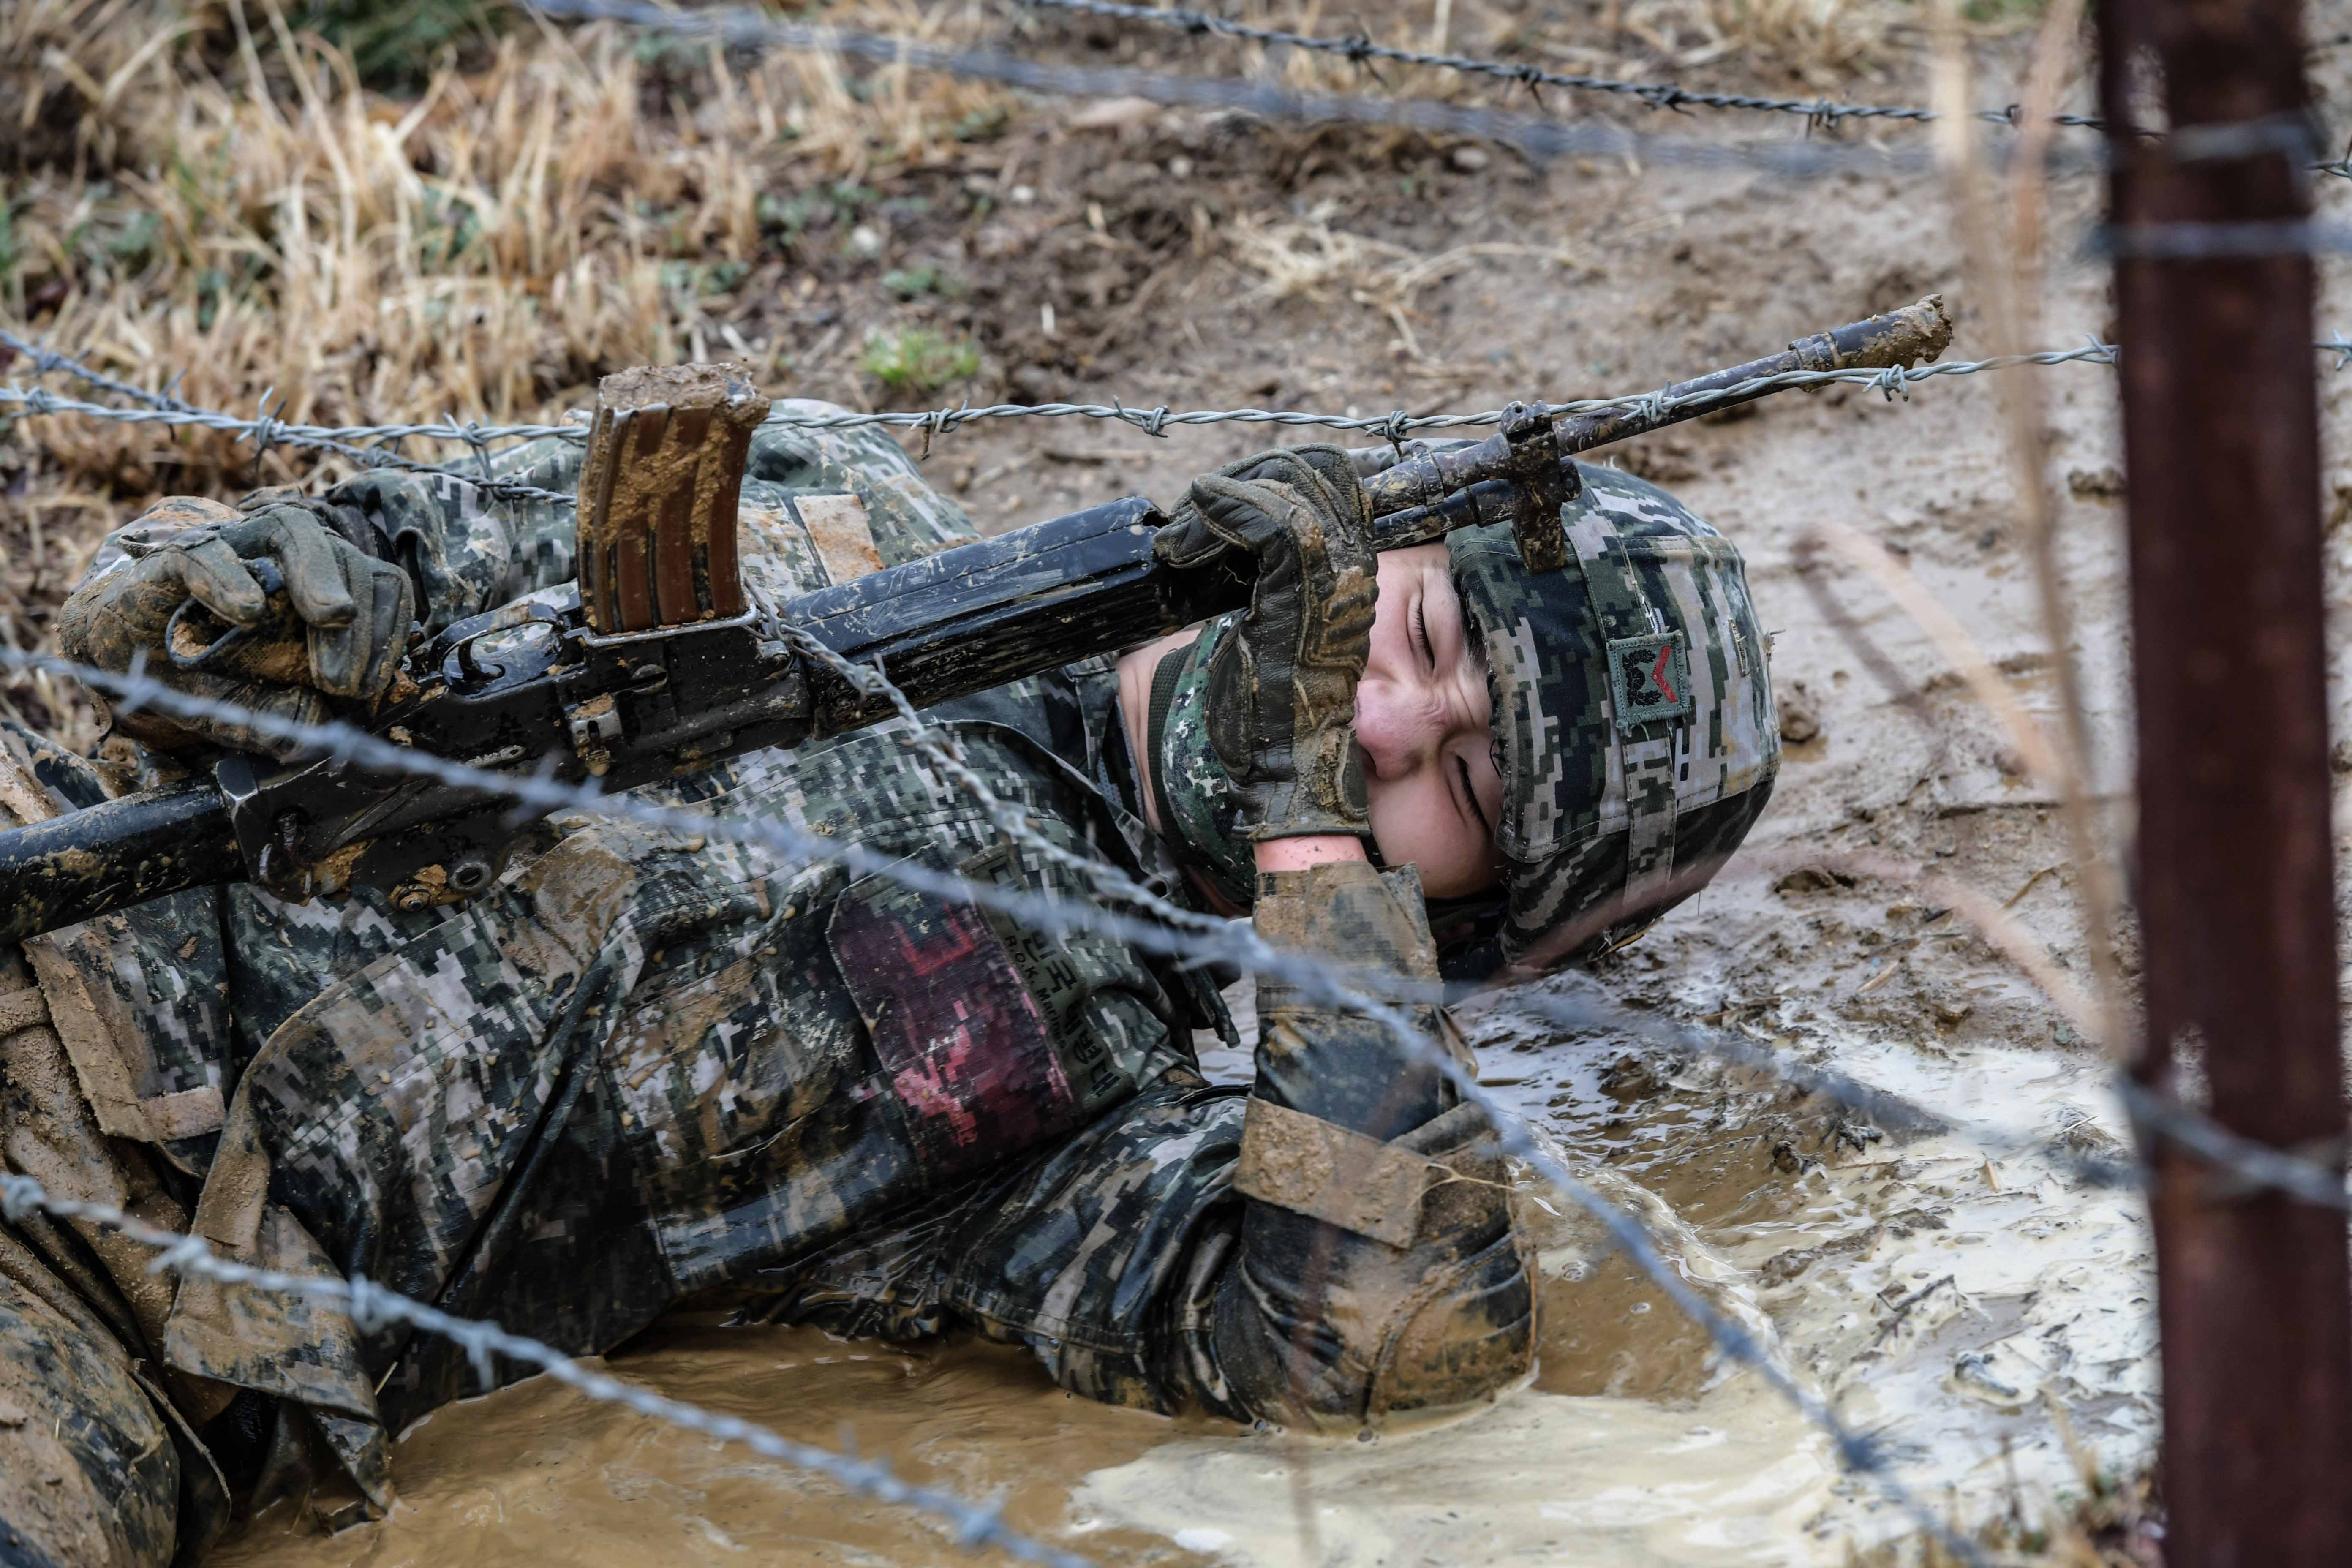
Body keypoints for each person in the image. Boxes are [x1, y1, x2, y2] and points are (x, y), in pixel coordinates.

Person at [0, 390, 1778, 1565]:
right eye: (1418, 637)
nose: (1384, 719)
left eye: (1454, 786)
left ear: (1458, 920)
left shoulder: (1088, 1137)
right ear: (1373, 536)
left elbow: (1389, 1350)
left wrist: (1316, 837)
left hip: (111, 1300)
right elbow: (134, 618)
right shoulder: (839, 503)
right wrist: (280, 609)